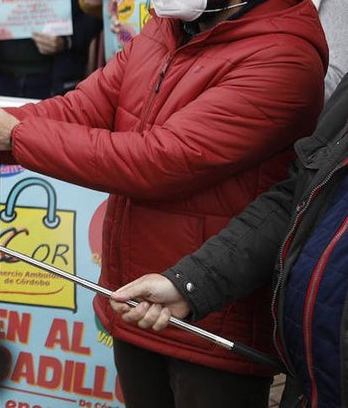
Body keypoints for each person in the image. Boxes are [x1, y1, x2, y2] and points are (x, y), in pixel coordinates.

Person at [0, 0, 328, 408]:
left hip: (210, 309)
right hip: (134, 294)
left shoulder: (281, 60)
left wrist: (13, 135)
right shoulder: (167, 28)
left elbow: (161, 160)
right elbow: (84, 106)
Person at [111, 74, 348, 408]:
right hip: (311, 384)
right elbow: (296, 199)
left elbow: (161, 156)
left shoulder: (284, 54)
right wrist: (188, 283)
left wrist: (18, 135)